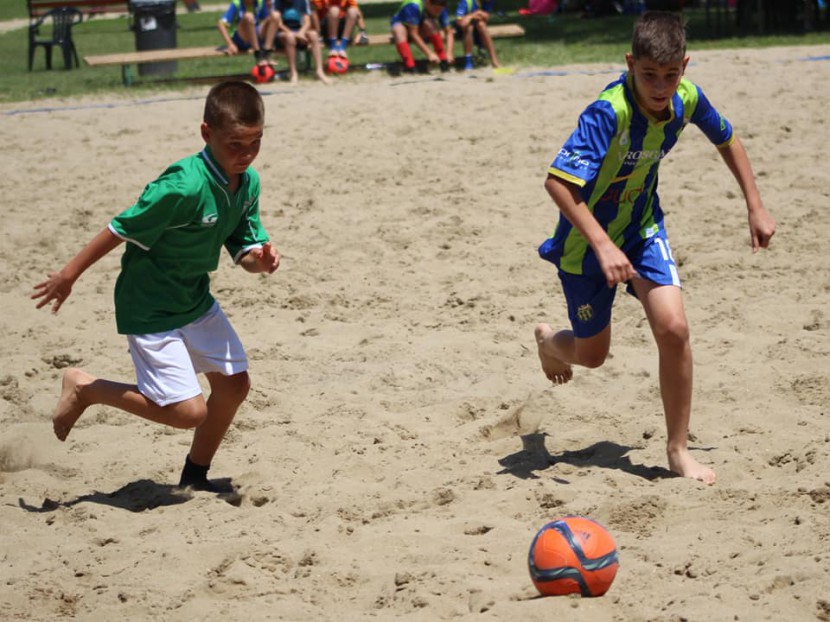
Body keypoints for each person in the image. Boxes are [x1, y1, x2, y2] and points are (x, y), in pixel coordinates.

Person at [533, 12, 775, 485]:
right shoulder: (609, 112)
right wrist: (602, 245)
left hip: (642, 228)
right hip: (586, 244)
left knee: (674, 328)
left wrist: (755, 205)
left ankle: (677, 450)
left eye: (671, 74)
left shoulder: (687, 97)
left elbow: (728, 139)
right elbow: (558, 184)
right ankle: (547, 343)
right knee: (593, 355)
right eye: (649, 75)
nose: (661, 86)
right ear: (630, 64)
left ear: (684, 65)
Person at [32, 81, 281, 493]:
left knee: (235, 385)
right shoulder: (182, 186)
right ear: (207, 134)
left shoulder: (247, 181)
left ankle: (195, 477)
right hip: (150, 307)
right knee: (188, 412)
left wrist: (262, 262)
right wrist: (69, 274)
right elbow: (119, 228)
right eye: (235, 143)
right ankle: (87, 388)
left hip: (193, 298)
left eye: (255, 142)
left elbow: (244, 249)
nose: (246, 154)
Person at [274, 0, 332, 83]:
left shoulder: (303, 1)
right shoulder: (277, 2)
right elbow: (279, 24)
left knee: (313, 35)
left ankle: (319, 71)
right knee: (290, 37)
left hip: (299, 30)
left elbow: (307, 22)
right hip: (283, 32)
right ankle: (293, 72)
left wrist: (301, 32)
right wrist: (293, 34)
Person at [391, 0, 452, 73]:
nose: (438, 11)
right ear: (427, 3)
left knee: (430, 24)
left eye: (440, 9)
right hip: (402, 23)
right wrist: (429, 53)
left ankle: (444, 61)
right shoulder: (413, 6)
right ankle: (410, 67)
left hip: (420, 24)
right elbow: (413, 33)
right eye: (435, 9)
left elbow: (449, 32)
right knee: (399, 31)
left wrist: (449, 53)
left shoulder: (441, 7)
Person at [217, 0, 279, 67]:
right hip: (240, 37)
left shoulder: (260, 2)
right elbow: (221, 24)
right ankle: (258, 54)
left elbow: (266, 20)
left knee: (276, 15)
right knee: (248, 16)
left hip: (255, 34)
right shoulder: (237, 3)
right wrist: (230, 44)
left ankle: (267, 53)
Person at [449, 0, 501, 70]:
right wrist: (473, 15)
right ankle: (468, 60)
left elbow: (486, 17)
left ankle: (494, 60)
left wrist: (475, 16)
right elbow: (460, 21)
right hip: (460, 30)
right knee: (469, 27)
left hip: (476, 29)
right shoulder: (466, 2)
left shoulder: (488, 1)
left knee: (481, 25)